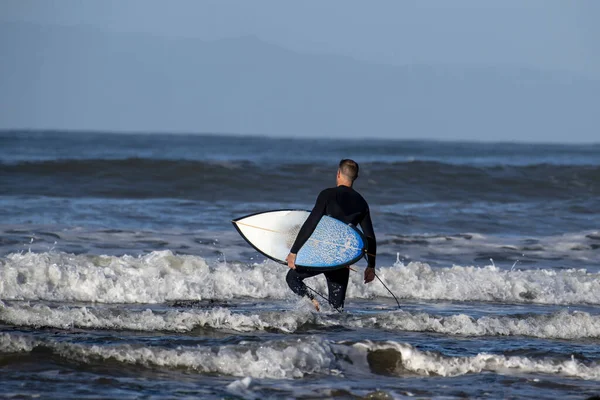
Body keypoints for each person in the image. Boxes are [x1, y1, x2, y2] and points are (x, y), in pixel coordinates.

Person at [285, 159, 376, 311]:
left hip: (321, 255)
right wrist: (371, 266)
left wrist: (294, 251)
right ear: (355, 177)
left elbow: (311, 223)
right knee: (337, 310)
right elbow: (370, 237)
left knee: (292, 278)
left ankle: (311, 300)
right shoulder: (362, 202)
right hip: (341, 259)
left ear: (338, 173)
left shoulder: (327, 195)